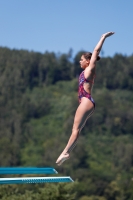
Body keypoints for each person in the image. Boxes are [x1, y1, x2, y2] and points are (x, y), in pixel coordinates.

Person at [56, 32, 115, 166]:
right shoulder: (83, 72)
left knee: (75, 129)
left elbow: (96, 51)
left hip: (86, 100)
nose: (80, 61)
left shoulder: (89, 70)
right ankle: (67, 151)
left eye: (82, 59)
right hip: (86, 101)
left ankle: (66, 151)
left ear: (88, 61)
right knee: (76, 129)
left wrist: (102, 38)